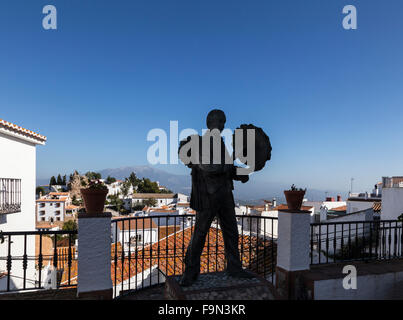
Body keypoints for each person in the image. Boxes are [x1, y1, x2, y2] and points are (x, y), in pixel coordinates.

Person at [178, 109, 253, 286]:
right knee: (200, 233)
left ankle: (234, 267)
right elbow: (206, 167)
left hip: (225, 195)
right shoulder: (200, 143)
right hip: (208, 196)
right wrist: (227, 169)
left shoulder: (221, 143)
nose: (222, 125)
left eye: (223, 122)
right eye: (219, 121)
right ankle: (190, 271)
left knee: (232, 232)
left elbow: (226, 168)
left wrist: (241, 173)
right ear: (209, 122)